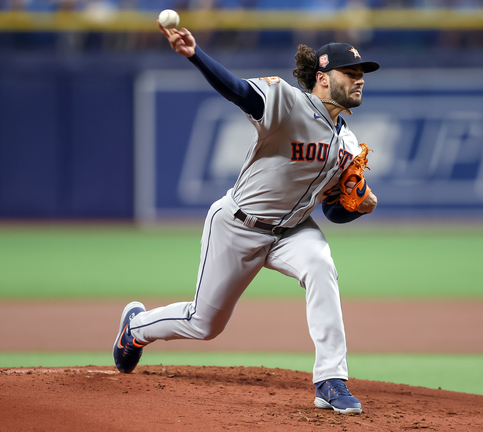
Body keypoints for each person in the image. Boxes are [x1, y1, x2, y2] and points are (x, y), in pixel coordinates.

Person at [112, 20, 380, 415]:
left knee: (321, 265)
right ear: (322, 78)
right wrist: (195, 55)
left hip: (293, 232)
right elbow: (239, 91)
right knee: (204, 324)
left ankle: (330, 380)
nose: (359, 81)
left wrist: (358, 206)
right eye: (350, 73)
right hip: (239, 224)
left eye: (362, 75)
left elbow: (332, 212)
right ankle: (135, 328)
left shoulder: (348, 143)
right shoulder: (289, 103)